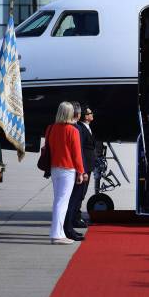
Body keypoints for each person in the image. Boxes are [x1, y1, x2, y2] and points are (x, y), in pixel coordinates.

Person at [47, 101, 85, 245]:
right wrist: (81, 172)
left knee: (58, 200)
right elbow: (76, 154)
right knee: (62, 202)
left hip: (55, 168)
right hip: (67, 169)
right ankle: (57, 234)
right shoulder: (72, 130)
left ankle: (59, 232)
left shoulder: (51, 128)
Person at [65, 104, 96, 240]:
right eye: (89, 113)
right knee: (78, 194)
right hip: (83, 166)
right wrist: (82, 169)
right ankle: (73, 220)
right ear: (83, 116)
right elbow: (80, 149)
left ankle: (74, 219)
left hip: (87, 165)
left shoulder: (86, 128)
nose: (92, 115)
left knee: (80, 194)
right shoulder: (80, 129)